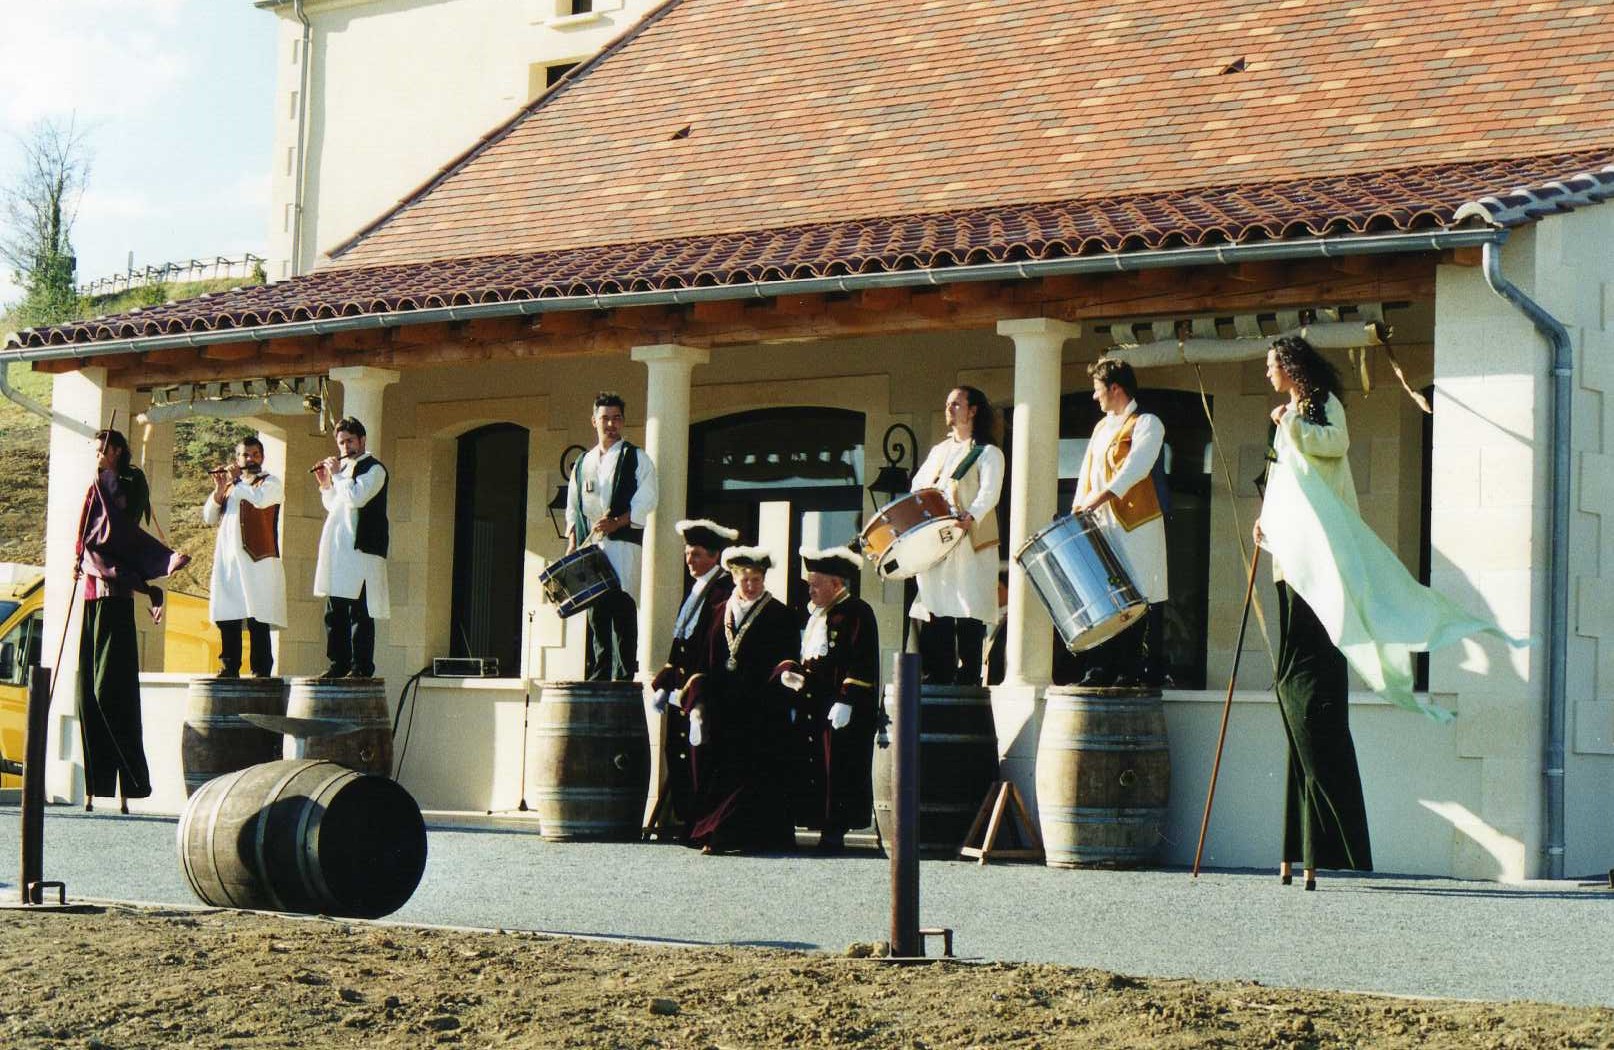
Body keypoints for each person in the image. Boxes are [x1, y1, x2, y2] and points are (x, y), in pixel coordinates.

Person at [76, 429, 189, 806]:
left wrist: (107, 480)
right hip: (92, 595)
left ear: (118, 450)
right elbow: (87, 529)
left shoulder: (131, 479)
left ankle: (132, 781)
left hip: (115, 596)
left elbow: (118, 528)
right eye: (96, 451)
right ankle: (97, 785)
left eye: (104, 450)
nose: (98, 456)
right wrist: (80, 557)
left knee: (111, 692)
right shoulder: (97, 482)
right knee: (87, 695)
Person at [685, 547, 799, 854]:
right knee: (721, 773)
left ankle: (737, 837)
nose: (751, 586)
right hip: (722, 707)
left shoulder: (780, 614)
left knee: (752, 774)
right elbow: (702, 659)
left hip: (761, 708)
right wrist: (697, 703)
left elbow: (788, 656)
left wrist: (786, 676)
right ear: (734, 578)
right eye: (745, 579)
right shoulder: (716, 611)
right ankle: (715, 832)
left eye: (756, 579)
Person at [1071, 357, 1169, 686]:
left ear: (1115, 388)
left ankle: (1131, 670)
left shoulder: (1147, 423)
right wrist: (1078, 508)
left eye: (1097, 389)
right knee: (1103, 596)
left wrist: (1100, 497)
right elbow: (1086, 473)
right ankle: (1099, 668)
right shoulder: (1101, 428)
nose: (1094, 396)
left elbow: (1136, 467)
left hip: (1135, 525)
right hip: (1101, 525)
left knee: (1136, 594)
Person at [776, 546, 880, 854]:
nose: (810, 590)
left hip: (842, 707)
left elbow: (862, 661)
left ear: (836, 584)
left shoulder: (857, 612)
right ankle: (818, 823)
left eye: (816, 584)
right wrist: (797, 677)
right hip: (815, 705)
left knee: (840, 770)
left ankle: (835, 831)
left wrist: (847, 699)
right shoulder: (817, 615)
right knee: (817, 768)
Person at [649, 518, 739, 835]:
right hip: (682, 689)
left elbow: (710, 644)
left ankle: (701, 824)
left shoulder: (723, 591)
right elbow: (681, 641)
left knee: (701, 757)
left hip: (705, 690)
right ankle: (687, 819)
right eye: (688, 554)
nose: (690, 560)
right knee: (678, 752)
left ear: (715, 556)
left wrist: (696, 693)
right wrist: (666, 682)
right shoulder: (696, 589)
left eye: (697, 554)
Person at [909, 385, 1003, 685]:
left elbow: (990, 492)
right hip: (939, 540)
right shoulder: (940, 451)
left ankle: (968, 676)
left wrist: (969, 515)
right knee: (935, 603)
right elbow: (918, 486)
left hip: (970, 541)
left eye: (956, 404)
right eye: (948, 404)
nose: (949, 409)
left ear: (973, 410)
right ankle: (938, 673)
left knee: (968, 605)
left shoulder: (988, 453)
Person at [565, 392, 658, 681]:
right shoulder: (583, 462)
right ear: (594, 421)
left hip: (622, 546)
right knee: (597, 613)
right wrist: (572, 544)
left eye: (616, 418)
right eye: (605, 418)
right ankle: (599, 676)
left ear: (623, 421)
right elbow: (573, 507)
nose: (611, 424)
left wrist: (618, 522)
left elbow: (647, 499)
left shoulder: (636, 457)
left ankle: (623, 677)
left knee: (623, 608)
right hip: (591, 548)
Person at [201, 436, 286, 677]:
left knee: (257, 615)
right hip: (229, 561)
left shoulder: (270, 483)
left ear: (262, 457)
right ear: (237, 459)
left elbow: (259, 501)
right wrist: (219, 490)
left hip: (257, 563)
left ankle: (261, 669)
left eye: (254, 455)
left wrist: (236, 481)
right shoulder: (231, 487)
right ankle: (229, 666)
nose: (250, 459)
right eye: (245, 455)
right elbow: (209, 517)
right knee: (228, 614)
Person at [313, 417, 389, 679]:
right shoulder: (343, 469)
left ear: (362, 440)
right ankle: (339, 663)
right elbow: (335, 505)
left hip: (361, 551)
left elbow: (356, 497)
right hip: (339, 549)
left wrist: (336, 475)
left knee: (360, 611)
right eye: (341, 442)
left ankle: (361, 667)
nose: (345, 447)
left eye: (350, 441)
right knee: (335, 611)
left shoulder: (375, 469)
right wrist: (326, 485)